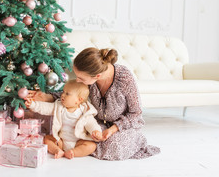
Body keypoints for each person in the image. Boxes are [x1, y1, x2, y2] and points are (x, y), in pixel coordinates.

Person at [28, 48, 160, 160]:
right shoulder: (89, 79)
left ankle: (78, 148)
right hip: (100, 124)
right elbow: (72, 94)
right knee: (84, 133)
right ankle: (76, 147)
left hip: (123, 126)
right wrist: (46, 97)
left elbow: (136, 113)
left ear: (97, 76)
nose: (78, 81)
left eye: (81, 78)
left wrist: (113, 129)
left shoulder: (124, 78)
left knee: (114, 145)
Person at [25, 80, 102, 159]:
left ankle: (73, 152)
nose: (62, 95)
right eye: (63, 92)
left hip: (78, 142)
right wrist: (33, 105)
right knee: (47, 139)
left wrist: (96, 131)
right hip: (61, 140)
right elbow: (45, 108)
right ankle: (57, 150)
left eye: (67, 94)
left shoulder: (85, 112)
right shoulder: (59, 106)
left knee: (91, 146)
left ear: (79, 100)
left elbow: (92, 124)